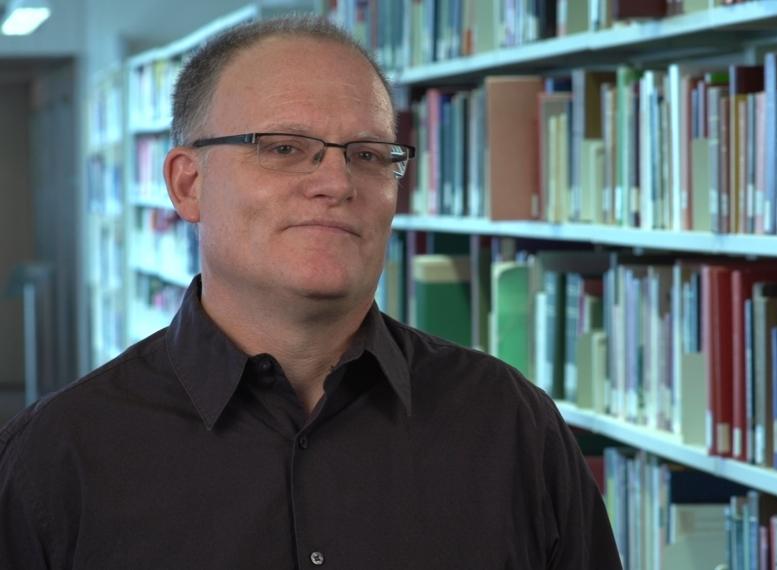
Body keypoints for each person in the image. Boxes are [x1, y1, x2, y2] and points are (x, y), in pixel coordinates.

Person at [0, 15, 622, 570]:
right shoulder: (59, 458)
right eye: (284, 148)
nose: (336, 181)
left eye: (370, 153)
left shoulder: (511, 427)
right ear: (188, 185)